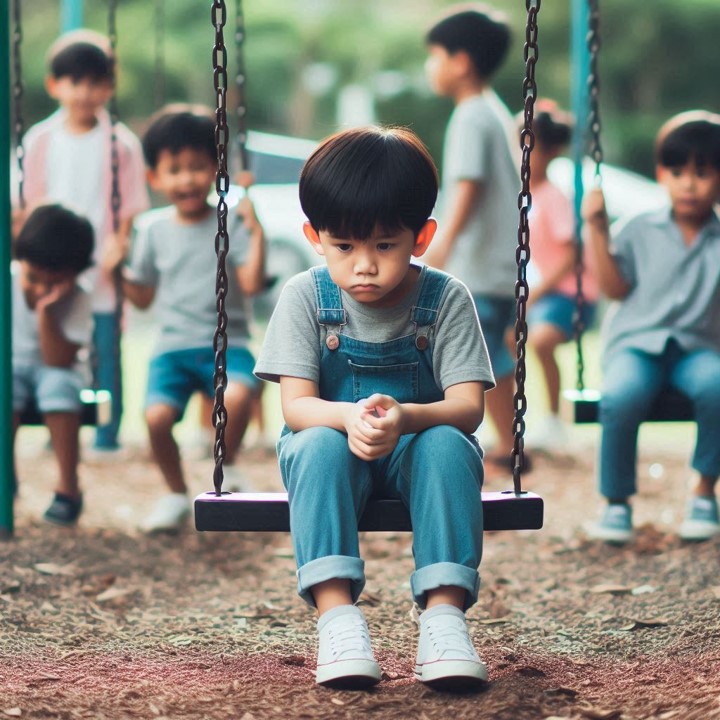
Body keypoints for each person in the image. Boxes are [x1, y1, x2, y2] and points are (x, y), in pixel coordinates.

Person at [255, 126, 495, 690]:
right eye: (345, 246)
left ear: (422, 236)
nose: (363, 265)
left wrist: (408, 417)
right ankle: (338, 620)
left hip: (416, 444)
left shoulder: (446, 298)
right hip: (334, 443)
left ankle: (443, 619)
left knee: (446, 444)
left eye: (384, 245)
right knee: (313, 443)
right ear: (315, 236)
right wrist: (346, 417)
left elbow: (466, 407)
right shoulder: (305, 297)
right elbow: (297, 408)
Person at [106, 104, 266, 533]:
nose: (188, 179)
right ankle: (175, 492)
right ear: (154, 178)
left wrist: (259, 232)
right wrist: (117, 269)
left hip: (225, 346)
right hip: (173, 349)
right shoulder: (154, 230)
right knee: (156, 418)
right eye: (174, 169)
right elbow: (142, 299)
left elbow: (250, 284)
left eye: (198, 167)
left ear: (217, 169)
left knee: (237, 398)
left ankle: (227, 468)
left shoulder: (230, 221)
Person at [583, 110, 720, 543]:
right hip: (636, 346)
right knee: (622, 396)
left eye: (702, 172)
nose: (689, 183)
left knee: (717, 387)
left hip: (697, 348)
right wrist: (597, 229)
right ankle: (617, 503)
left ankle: (703, 490)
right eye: (678, 172)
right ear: (662, 174)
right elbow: (614, 288)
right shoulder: (638, 229)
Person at [20, 29, 150, 452]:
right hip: (55, 258)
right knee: (53, 338)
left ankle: (107, 435)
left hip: (102, 262)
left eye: (95, 82)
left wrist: (120, 245)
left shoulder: (120, 143)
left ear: (109, 87)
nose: (85, 92)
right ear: (55, 85)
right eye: (75, 82)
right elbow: (29, 202)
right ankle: (57, 421)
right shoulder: (40, 140)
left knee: (106, 346)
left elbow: (130, 205)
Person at [422, 5, 523, 473]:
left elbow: (467, 186)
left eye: (435, 55)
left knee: (479, 356)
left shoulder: (470, 116)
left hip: (478, 265)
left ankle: (502, 441)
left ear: (461, 61)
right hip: (499, 263)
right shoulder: (492, 110)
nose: (431, 66)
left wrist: (439, 247)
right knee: (495, 353)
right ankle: (508, 441)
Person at [520, 100, 599, 452]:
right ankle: (522, 418)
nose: (521, 154)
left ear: (549, 153)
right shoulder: (525, 196)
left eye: (529, 147)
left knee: (541, 341)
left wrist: (536, 292)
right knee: (507, 343)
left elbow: (571, 255)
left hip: (569, 294)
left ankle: (553, 421)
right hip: (541, 293)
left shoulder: (553, 197)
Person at [12, 204, 95, 525]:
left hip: (59, 368)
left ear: (74, 275)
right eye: (32, 278)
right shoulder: (8, 283)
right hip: (15, 367)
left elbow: (56, 358)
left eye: (54, 283)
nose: (40, 289)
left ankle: (68, 489)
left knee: (58, 388)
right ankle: (7, 478)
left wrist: (46, 312)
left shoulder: (79, 298)